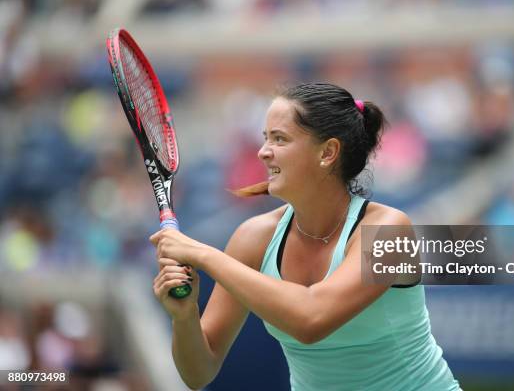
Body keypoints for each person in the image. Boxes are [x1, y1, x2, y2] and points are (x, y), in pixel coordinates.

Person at [149, 83, 460, 390]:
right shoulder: (253, 237)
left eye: (280, 139)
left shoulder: (388, 229)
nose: (262, 152)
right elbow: (198, 373)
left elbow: (311, 319)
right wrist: (185, 316)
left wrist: (204, 255)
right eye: (265, 138)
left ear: (327, 152)